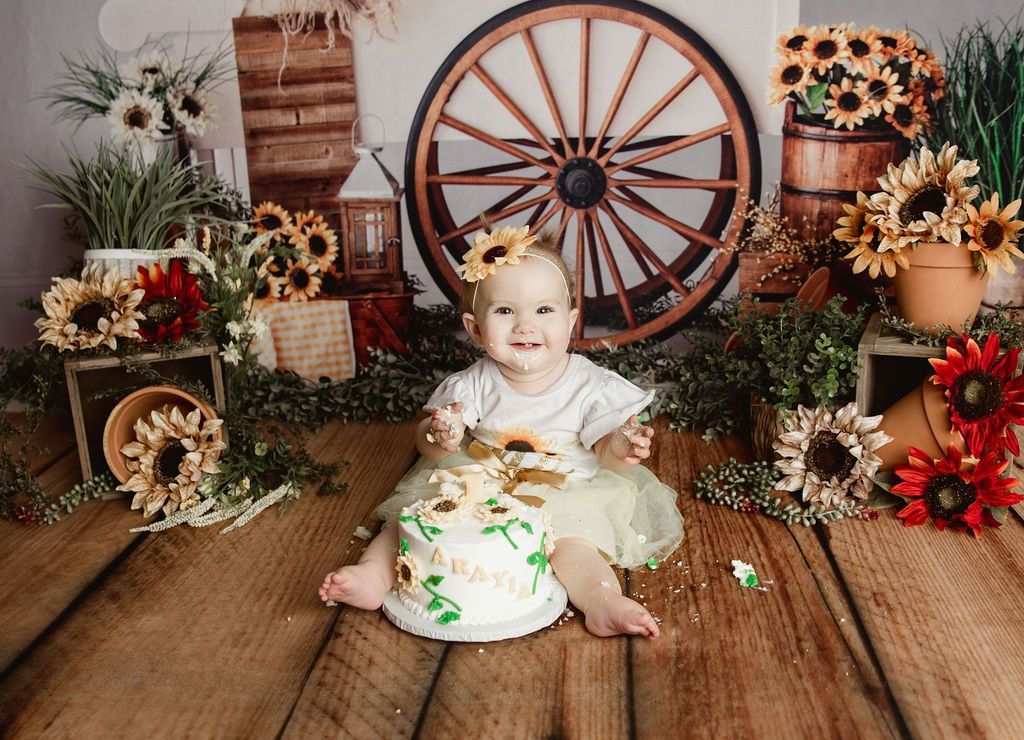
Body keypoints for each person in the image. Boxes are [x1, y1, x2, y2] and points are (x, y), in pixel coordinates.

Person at [319, 224, 683, 638]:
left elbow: (605, 451)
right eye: (506, 311)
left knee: (574, 548)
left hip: (565, 488)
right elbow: (427, 444)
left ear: (571, 320)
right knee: (409, 524)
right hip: (479, 479)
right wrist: (440, 436)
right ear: (476, 329)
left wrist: (620, 445)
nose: (525, 326)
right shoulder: (473, 383)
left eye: (544, 311)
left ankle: (602, 601)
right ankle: (373, 574)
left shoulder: (591, 385)